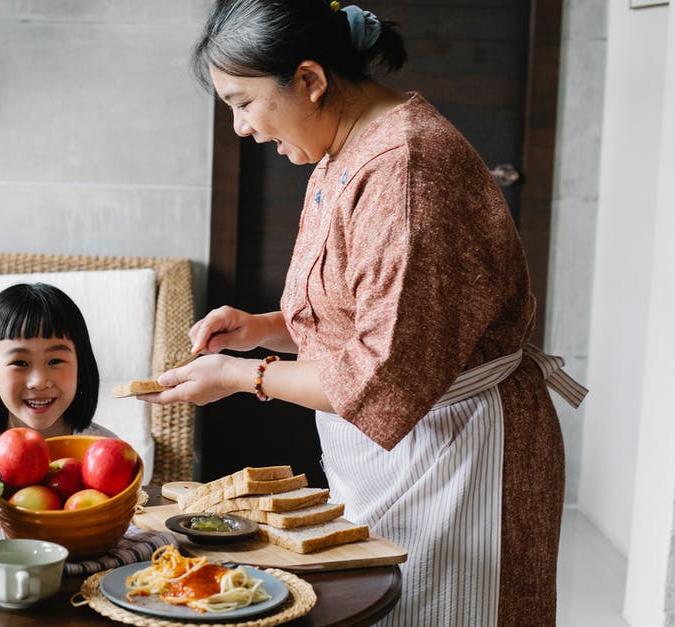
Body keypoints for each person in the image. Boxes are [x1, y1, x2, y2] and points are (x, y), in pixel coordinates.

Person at [140, 1, 586, 625]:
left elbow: (382, 374)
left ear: (311, 81)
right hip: (405, 450)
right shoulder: (343, 148)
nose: (240, 127)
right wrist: (265, 328)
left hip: (459, 457)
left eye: (243, 103)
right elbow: (369, 310)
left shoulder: (405, 167)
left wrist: (245, 375)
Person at [0, 282, 119, 471]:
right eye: (20, 363)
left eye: (55, 361)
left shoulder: (103, 450)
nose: (39, 382)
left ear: (81, 369)